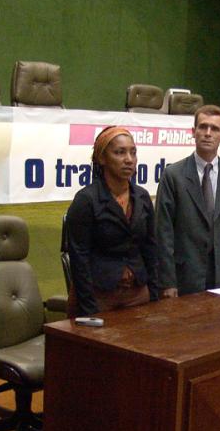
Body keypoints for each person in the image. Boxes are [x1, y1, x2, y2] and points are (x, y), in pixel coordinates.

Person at [156, 105, 220, 296]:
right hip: (185, 276)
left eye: (214, 129)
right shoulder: (173, 175)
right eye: (203, 127)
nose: (208, 133)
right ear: (193, 132)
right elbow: (163, 233)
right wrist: (167, 282)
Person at [66, 127, 158, 317]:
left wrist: (154, 294)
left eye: (133, 152)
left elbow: (150, 248)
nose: (129, 159)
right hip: (99, 296)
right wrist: (89, 310)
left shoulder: (142, 197)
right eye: (120, 152)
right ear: (102, 158)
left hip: (138, 293)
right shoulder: (86, 200)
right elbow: (79, 258)